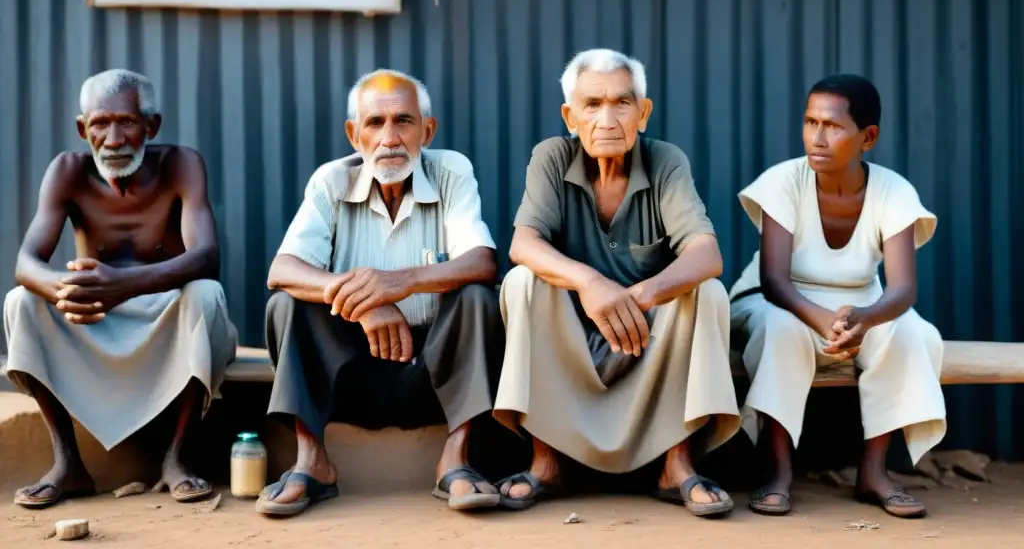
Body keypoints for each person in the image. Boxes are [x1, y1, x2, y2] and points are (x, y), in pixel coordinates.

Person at [493, 48, 741, 518]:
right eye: (592, 105)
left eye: (621, 104)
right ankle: (545, 462)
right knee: (522, 282)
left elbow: (707, 255)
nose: (607, 119)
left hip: (646, 339)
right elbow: (523, 244)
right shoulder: (551, 157)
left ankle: (678, 464)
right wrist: (590, 283)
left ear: (642, 113)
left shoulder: (666, 160)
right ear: (571, 116)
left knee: (708, 292)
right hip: (573, 342)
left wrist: (640, 296)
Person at [259, 69, 505, 517]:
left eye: (403, 121)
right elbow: (283, 269)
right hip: (350, 378)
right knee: (287, 303)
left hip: (433, 375)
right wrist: (363, 301)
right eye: (374, 123)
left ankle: (457, 459)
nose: (389, 138)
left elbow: (483, 262)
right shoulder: (331, 181)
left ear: (427, 131)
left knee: (477, 298)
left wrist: (402, 281)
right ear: (354, 135)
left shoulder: (451, 172)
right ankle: (312, 460)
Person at [3, 69, 238, 508]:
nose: (113, 139)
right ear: (82, 129)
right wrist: (64, 288)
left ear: (152, 125)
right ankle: (68, 463)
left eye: (127, 122)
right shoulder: (68, 170)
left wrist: (121, 285)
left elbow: (206, 257)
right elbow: (25, 263)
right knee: (21, 301)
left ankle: (176, 459)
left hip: (163, 317)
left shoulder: (181, 164)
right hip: (97, 318)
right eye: (99, 124)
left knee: (205, 293)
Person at [729, 74, 945, 519]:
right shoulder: (783, 181)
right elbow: (773, 279)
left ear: (868, 137)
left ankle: (874, 472)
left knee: (909, 332)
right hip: (776, 302)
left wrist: (865, 318)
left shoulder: (893, 191)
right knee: (782, 330)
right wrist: (824, 318)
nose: (817, 138)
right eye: (810, 123)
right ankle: (780, 472)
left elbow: (903, 290)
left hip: (860, 309)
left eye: (832, 126)